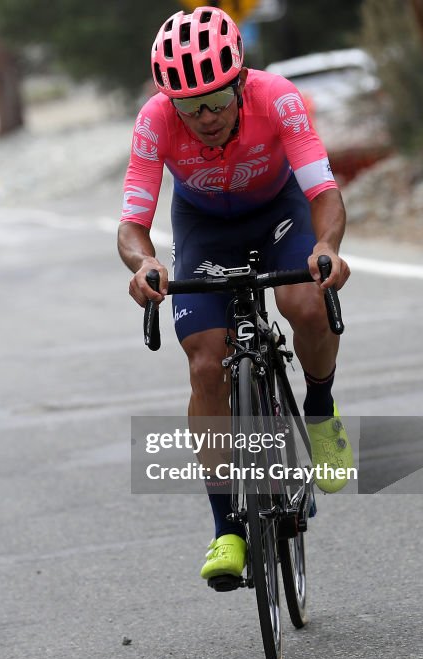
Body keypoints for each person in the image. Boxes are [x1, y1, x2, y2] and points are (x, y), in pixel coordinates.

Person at [117, 7, 354, 585]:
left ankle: (320, 411)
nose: (203, 117)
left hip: (280, 216)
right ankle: (227, 528)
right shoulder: (154, 120)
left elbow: (322, 190)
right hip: (203, 229)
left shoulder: (278, 97)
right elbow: (132, 223)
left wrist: (326, 246)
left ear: (240, 80)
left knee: (304, 303)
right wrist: (145, 262)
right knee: (204, 362)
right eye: (187, 106)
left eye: (216, 101)